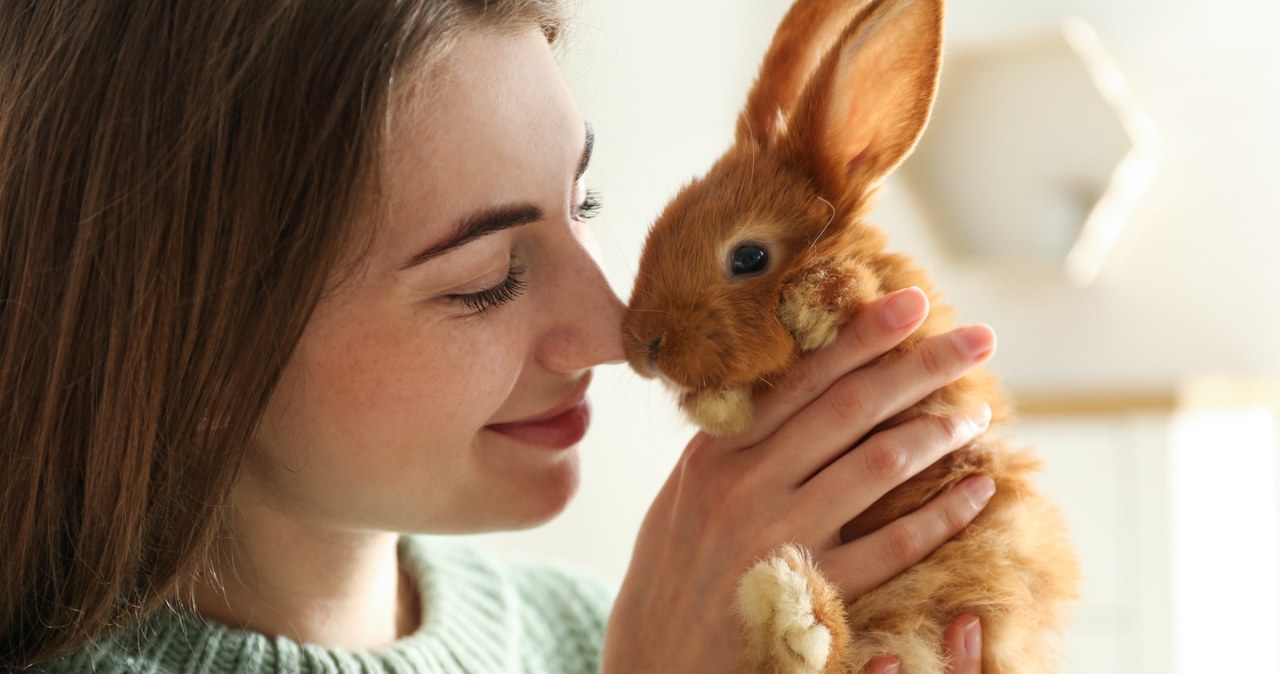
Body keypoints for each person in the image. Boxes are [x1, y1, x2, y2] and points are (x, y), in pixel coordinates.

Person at [0, 1, 998, 672]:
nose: (611, 331)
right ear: (198, 340)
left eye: (582, 202)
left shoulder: (582, 632)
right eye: (484, 279)